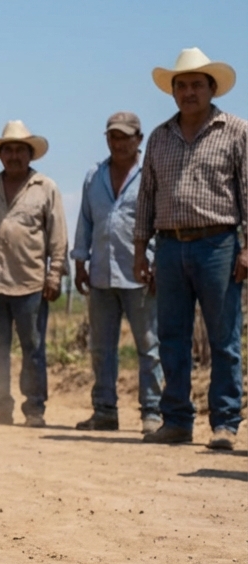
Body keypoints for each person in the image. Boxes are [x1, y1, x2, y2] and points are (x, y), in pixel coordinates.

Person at [134, 48, 248, 450]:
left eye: (197, 84)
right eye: (181, 85)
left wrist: (246, 248)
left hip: (219, 244)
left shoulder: (235, 131)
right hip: (168, 246)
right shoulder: (159, 137)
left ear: (212, 88)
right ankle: (177, 421)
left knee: (224, 338)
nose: (189, 92)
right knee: (171, 337)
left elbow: (247, 191)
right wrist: (138, 250)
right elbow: (146, 195)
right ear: (172, 92)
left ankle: (225, 423)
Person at [0, 121, 67, 427]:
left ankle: (34, 409)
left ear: (30, 154)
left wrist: (55, 274)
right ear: (1, 155)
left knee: (33, 349)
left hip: (32, 284)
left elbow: (57, 235)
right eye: (8, 150)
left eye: (20, 149)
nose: (13, 155)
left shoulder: (45, 188)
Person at [72, 112, 163, 433]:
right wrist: (79, 262)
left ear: (139, 139)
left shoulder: (150, 175)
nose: (119, 143)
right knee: (101, 348)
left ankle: (152, 413)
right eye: (113, 136)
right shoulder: (93, 176)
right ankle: (105, 411)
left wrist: (157, 264)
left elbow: (161, 223)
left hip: (141, 274)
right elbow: (85, 221)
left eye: (126, 136)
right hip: (100, 274)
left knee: (149, 347)